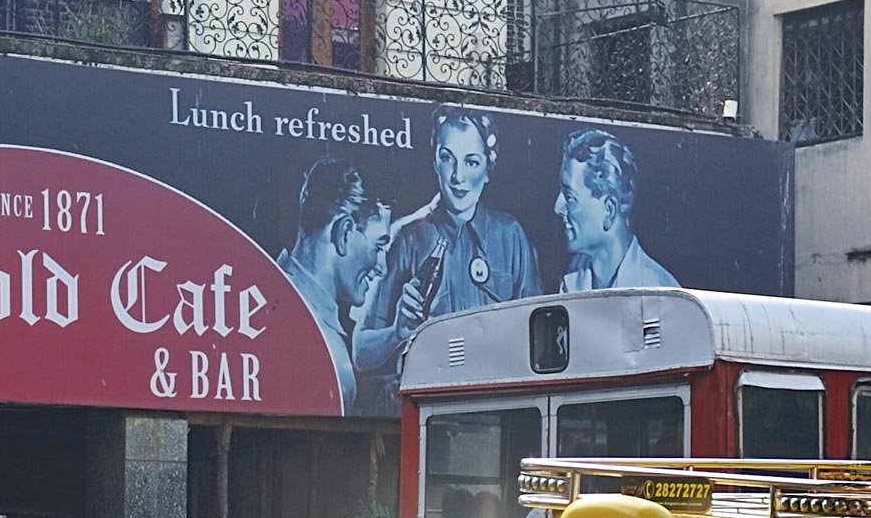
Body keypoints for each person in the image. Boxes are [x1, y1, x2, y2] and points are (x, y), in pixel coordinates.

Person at [352, 109, 541, 417]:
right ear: (434, 161)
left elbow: (538, 339)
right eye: (447, 157)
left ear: (489, 168)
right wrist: (397, 332)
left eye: (471, 162)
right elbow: (361, 353)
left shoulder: (511, 237)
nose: (458, 177)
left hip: (497, 411)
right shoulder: (406, 236)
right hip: (426, 414)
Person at [274, 158, 396, 415]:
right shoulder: (304, 330)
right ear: (344, 233)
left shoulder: (279, 301)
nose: (381, 267)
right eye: (379, 246)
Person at [552, 129, 679, 293]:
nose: (558, 207)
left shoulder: (661, 293)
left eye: (569, 196)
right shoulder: (571, 279)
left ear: (609, 210)